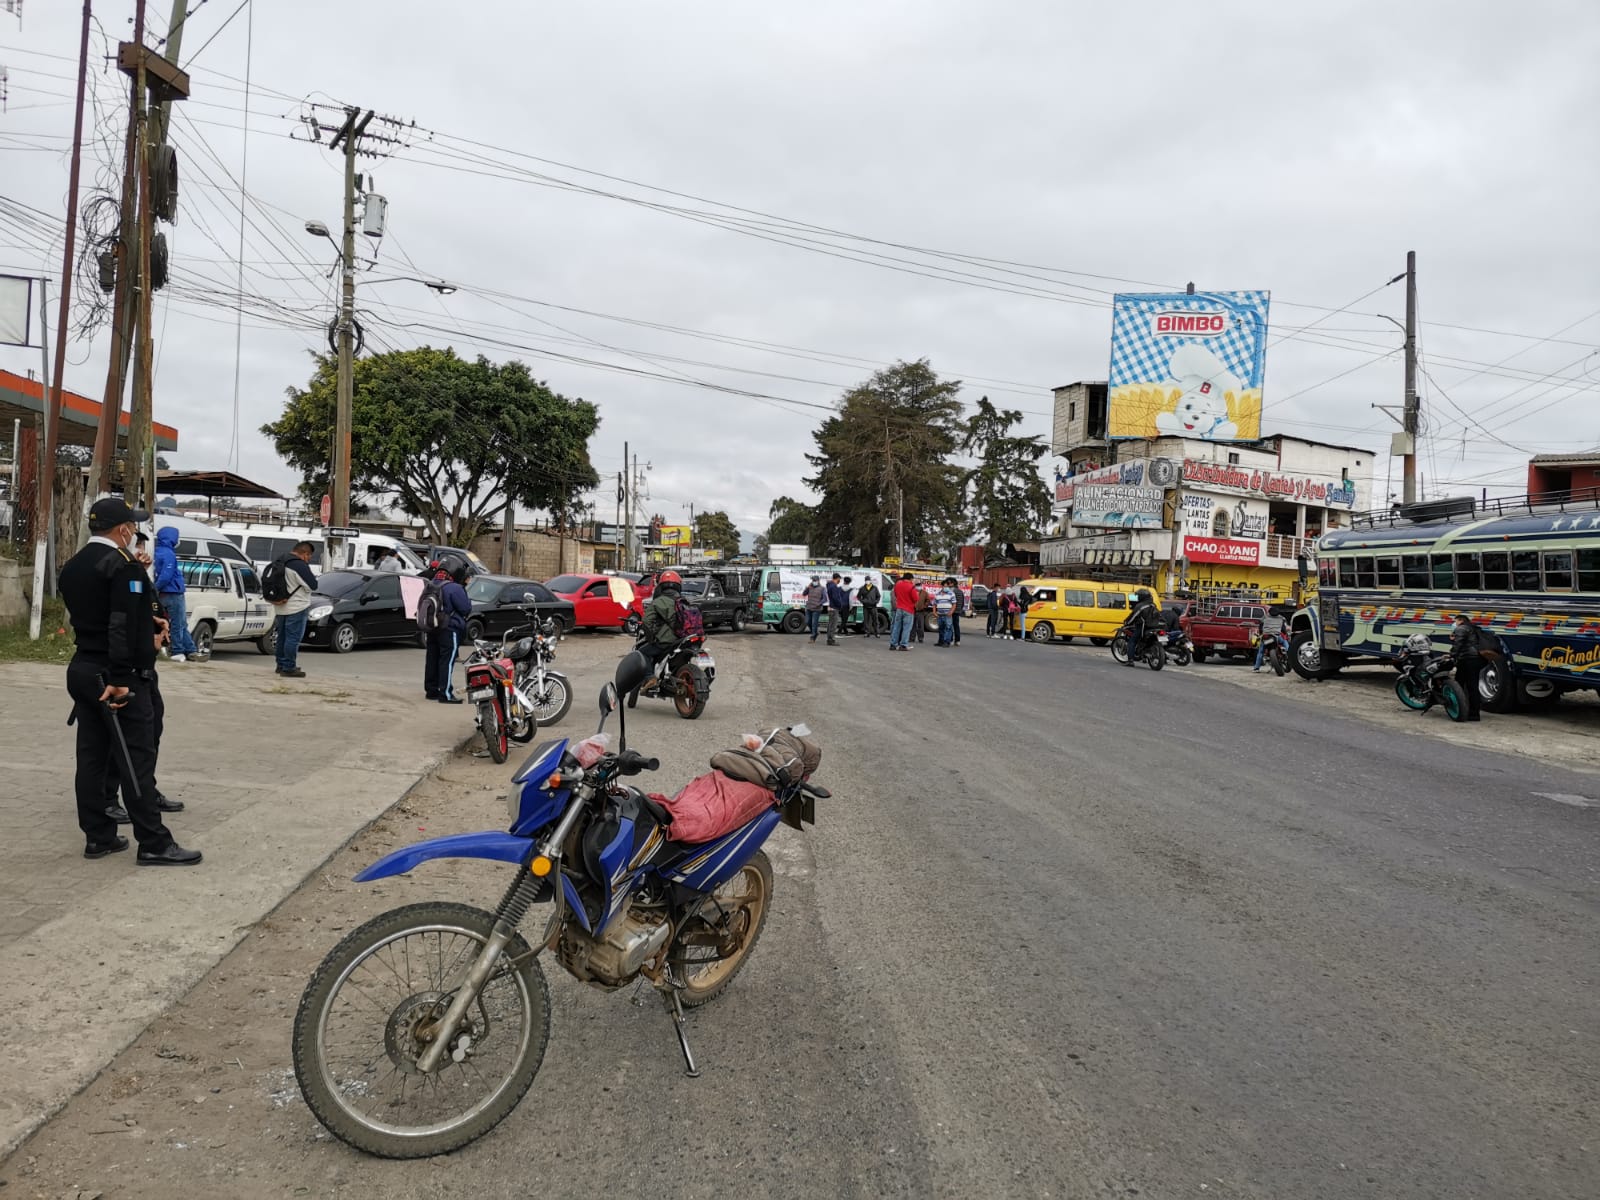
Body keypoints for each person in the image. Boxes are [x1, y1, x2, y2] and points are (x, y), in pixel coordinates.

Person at [58, 498, 200, 866]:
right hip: (115, 676)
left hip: (83, 668)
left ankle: (99, 837)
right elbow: (120, 625)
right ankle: (153, 843)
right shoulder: (123, 567)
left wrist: (147, 629)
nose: (135, 531)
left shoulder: (72, 565)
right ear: (122, 530)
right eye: (132, 526)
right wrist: (122, 677)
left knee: (91, 757)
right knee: (135, 759)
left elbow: (104, 616)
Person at [106, 531, 182, 823]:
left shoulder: (137, 574)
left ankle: (147, 791)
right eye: (135, 543)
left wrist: (160, 629)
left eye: (142, 544)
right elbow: (119, 621)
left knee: (151, 735)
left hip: (147, 670)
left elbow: (152, 608)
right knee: (121, 740)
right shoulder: (117, 570)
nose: (141, 550)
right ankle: (108, 798)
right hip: (125, 671)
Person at [428, 554, 473, 703]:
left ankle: (431, 690)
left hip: (432, 626)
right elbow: (465, 608)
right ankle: (446, 693)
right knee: (447, 661)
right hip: (449, 628)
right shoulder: (454, 588)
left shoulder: (431, 583)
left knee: (432, 659)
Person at [269, 542, 318, 678]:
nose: (308, 559)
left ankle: (280, 665)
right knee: (293, 638)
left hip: (280, 605)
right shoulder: (299, 565)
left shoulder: (279, 560)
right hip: (297, 606)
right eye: (309, 557)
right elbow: (313, 585)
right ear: (305, 553)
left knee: (282, 638)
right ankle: (289, 668)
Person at [151, 525, 198, 663]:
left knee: (181, 623)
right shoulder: (169, 554)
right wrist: (156, 588)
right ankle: (178, 651)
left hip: (163, 595)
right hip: (173, 593)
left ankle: (191, 650)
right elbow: (166, 575)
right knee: (178, 623)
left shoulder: (155, 551)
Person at [638, 569, 684, 682]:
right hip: (683, 641)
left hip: (666, 642)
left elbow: (646, 622)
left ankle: (649, 678)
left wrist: (651, 638)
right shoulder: (684, 601)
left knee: (642, 653)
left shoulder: (658, 602)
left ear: (661, 587)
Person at [1450, 612, 1487, 722]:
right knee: (1473, 686)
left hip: (1467, 659)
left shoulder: (1461, 628)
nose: (1454, 623)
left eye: (1455, 621)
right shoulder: (1473, 628)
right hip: (1477, 659)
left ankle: (1460, 709)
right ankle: (1474, 713)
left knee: (1459, 684)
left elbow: (1458, 645)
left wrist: (1451, 655)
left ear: (1460, 620)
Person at [1124, 588, 1159, 666]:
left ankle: (1130, 661)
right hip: (1153, 626)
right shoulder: (1153, 604)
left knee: (1132, 641)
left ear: (1141, 597)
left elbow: (1134, 616)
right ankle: (1143, 655)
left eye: (1138, 596)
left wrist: (1127, 623)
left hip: (1143, 627)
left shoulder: (1140, 606)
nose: (1138, 597)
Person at [889, 572, 918, 652]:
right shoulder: (911, 587)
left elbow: (895, 594)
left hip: (899, 608)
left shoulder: (897, 585)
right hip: (908, 609)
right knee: (906, 628)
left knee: (896, 627)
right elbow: (915, 599)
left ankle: (893, 644)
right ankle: (903, 645)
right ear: (911, 578)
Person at [825, 573, 847, 646]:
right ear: (837, 578)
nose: (839, 580)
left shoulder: (829, 585)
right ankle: (831, 640)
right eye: (839, 579)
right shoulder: (834, 587)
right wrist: (840, 605)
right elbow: (835, 598)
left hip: (831, 607)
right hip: (834, 607)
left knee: (830, 624)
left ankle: (829, 639)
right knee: (833, 625)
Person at [803, 576, 827, 642]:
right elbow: (804, 594)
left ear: (818, 580)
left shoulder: (822, 588)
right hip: (809, 607)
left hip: (817, 609)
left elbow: (825, 599)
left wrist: (819, 603)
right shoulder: (810, 587)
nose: (813, 581)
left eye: (815, 580)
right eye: (813, 580)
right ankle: (816, 632)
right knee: (807, 622)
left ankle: (813, 637)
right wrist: (807, 587)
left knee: (814, 623)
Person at [933, 580, 957, 646]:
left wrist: (951, 612)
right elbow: (934, 604)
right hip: (939, 614)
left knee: (948, 628)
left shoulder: (951, 594)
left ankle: (947, 642)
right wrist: (934, 612)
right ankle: (941, 641)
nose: (946, 587)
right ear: (942, 586)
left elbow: (954, 604)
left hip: (948, 614)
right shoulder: (937, 594)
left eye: (947, 586)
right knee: (941, 628)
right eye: (945, 586)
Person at [947, 578, 964, 646]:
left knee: (950, 626)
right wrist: (959, 609)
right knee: (956, 626)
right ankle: (957, 641)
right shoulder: (960, 591)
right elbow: (962, 602)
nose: (948, 585)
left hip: (951, 611)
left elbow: (950, 602)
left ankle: (950, 640)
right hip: (957, 611)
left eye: (949, 583)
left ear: (952, 583)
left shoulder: (951, 592)